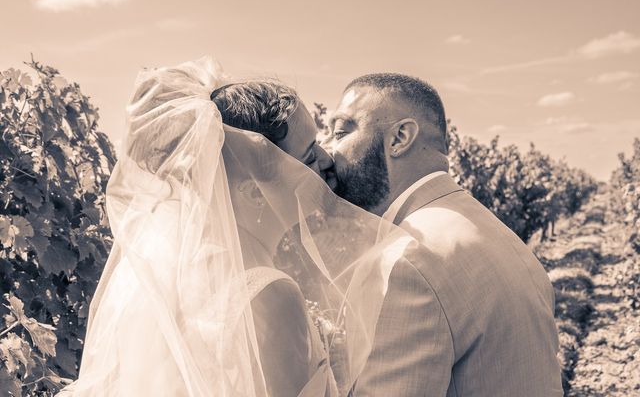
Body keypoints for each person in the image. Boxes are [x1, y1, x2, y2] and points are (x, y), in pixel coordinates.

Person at [61, 58, 412, 397]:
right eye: (307, 156)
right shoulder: (270, 294)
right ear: (254, 193)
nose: (326, 160)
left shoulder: (171, 274)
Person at [324, 73, 563, 396]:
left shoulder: (407, 261)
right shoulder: (493, 232)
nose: (327, 150)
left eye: (341, 132)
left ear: (399, 138)